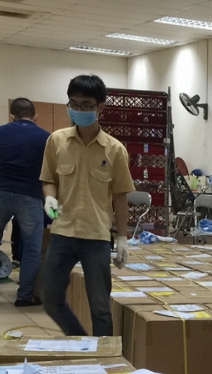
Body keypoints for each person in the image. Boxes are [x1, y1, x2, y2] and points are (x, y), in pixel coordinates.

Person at [40, 75, 134, 336]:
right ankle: (81, 342)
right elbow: (49, 179)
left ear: (100, 107)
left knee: (100, 307)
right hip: (63, 232)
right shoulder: (56, 141)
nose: (79, 110)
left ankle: (103, 354)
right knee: (49, 297)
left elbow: (120, 196)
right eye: (74, 104)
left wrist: (122, 237)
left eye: (86, 105)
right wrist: (50, 198)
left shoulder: (114, 149)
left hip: (96, 236)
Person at [0, 97, 50, 307]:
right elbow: (47, 171)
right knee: (32, 248)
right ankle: (24, 295)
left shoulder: (0, 132)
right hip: (30, 195)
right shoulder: (46, 136)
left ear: (12, 116)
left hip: (0, 191)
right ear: (34, 116)